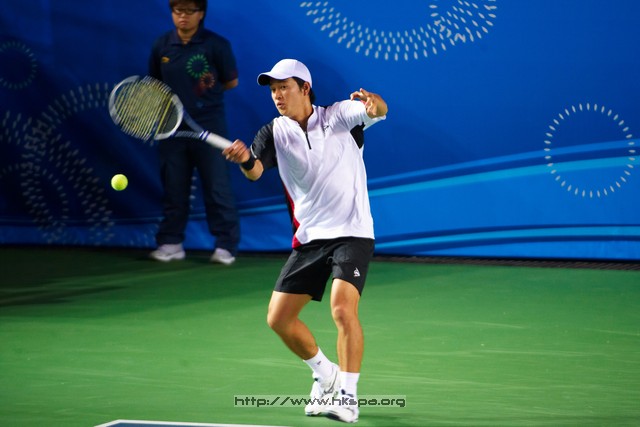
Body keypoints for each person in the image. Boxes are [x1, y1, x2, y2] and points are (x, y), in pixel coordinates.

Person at [222, 59, 388, 423]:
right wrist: (245, 159)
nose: (277, 95)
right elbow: (255, 171)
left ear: (305, 88)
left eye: (284, 87)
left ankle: (347, 398)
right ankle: (325, 373)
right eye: (273, 89)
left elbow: (377, 110)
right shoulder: (274, 131)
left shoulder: (339, 116)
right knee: (279, 318)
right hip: (311, 236)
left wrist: (373, 102)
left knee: (342, 309)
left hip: (353, 230)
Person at [147, 0, 240, 265]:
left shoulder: (217, 45)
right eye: (178, 11)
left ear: (201, 14)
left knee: (217, 186)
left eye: (190, 11)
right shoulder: (161, 46)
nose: (183, 16)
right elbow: (155, 84)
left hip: (209, 124)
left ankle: (225, 246)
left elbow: (231, 81)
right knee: (173, 186)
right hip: (171, 127)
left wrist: (201, 98)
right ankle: (171, 243)